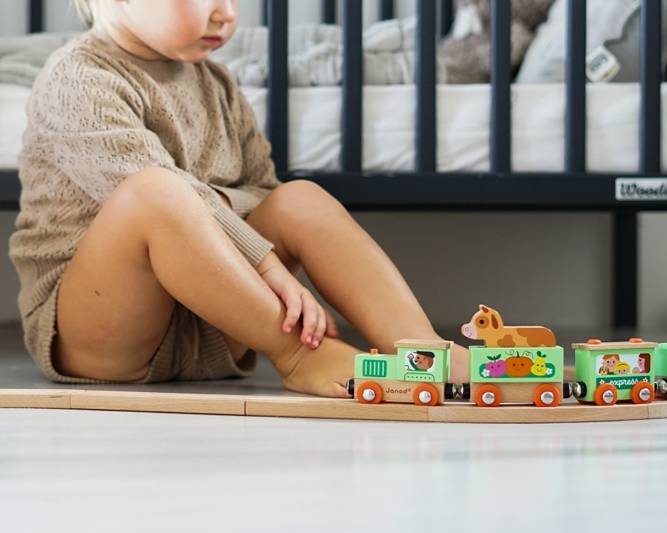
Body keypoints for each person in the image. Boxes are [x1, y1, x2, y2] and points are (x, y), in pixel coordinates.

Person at [9, 0, 469, 398]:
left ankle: (423, 349)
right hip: (105, 334)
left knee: (298, 199)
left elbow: (264, 192)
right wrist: (263, 261)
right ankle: (298, 355)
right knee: (155, 192)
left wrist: (224, 218)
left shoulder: (215, 82)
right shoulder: (78, 80)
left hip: (219, 321)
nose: (226, 14)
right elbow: (160, 200)